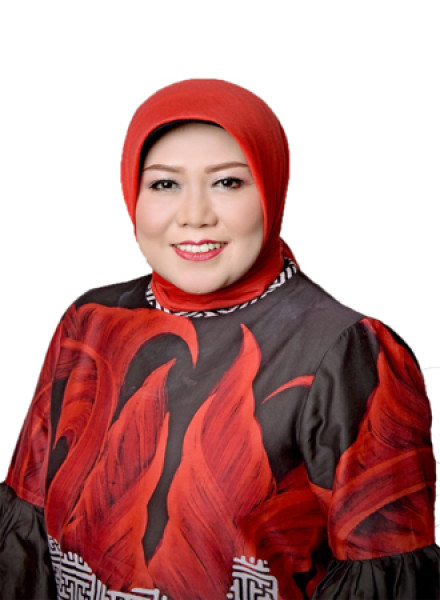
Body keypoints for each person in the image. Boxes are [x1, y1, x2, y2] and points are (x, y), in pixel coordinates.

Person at [0, 79, 439, 600]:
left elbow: (383, 579)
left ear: (271, 188)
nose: (195, 215)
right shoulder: (91, 323)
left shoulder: (346, 352)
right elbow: (25, 546)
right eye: (165, 184)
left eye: (228, 182)